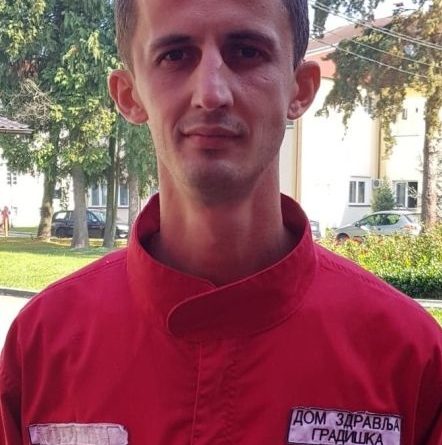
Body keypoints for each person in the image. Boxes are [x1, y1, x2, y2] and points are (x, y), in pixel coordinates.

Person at [1, 0, 441, 443]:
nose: (211, 93)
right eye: (175, 55)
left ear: (300, 89)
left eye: (247, 52)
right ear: (129, 95)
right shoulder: (41, 348)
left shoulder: (409, 358)